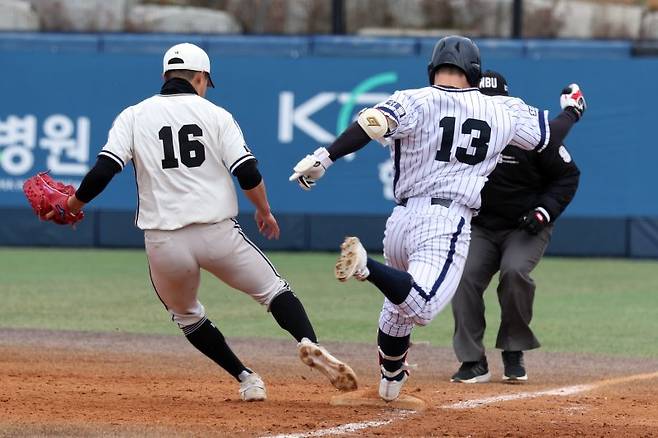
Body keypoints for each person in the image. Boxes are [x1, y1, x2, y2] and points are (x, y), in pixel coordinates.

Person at [50, 43, 357, 401]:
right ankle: (308, 342)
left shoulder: (133, 115)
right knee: (274, 291)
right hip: (217, 234)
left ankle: (247, 379)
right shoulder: (216, 115)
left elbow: (105, 170)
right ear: (199, 78)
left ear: (165, 76)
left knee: (187, 316)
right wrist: (264, 210)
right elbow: (247, 171)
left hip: (164, 242)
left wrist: (72, 204)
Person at [290, 35, 585, 403]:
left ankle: (390, 377)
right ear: (475, 73)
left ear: (433, 69)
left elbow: (371, 123)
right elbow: (550, 136)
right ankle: (367, 267)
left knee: (397, 313)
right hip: (446, 220)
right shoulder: (503, 109)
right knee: (423, 305)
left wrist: (324, 157)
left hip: (400, 221)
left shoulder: (413, 98)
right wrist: (571, 112)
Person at [450, 70, 583, 383]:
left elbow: (568, 175)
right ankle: (473, 361)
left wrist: (543, 212)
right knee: (463, 277)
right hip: (480, 224)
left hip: (525, 226)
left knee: (514, 273)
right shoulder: (464, 134)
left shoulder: (530, 135)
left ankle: (513, 348)